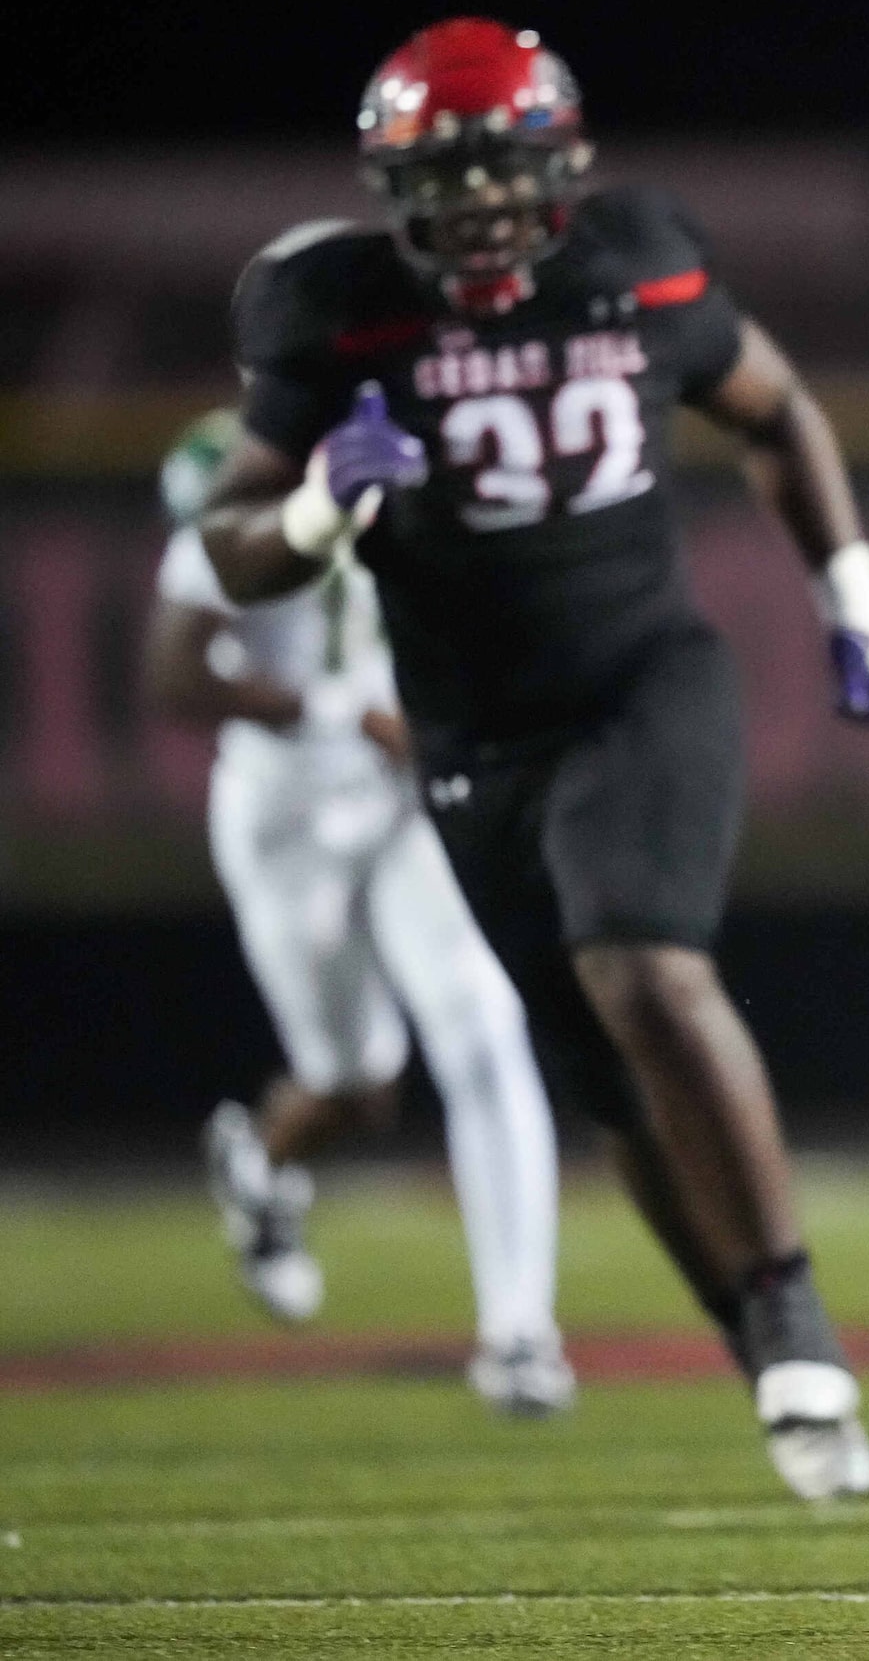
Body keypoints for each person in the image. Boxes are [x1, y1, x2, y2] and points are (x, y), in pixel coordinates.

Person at [196, 17, 869, 1500]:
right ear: (390, 185)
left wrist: (855, 595)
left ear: (562, 166)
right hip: (471, 735)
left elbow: (774, 407)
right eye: (441, 180)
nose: (472, 209)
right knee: (605, 1076)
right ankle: (755, 1339)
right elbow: (233, 546)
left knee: (645, 966)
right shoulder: (329, 308)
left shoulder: (633, 257)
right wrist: (325, 514)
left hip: (642, 681)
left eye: (497, 174)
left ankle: (790, 1299)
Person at [148, 409, 567, 1414]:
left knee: (479, 1026)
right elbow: (173, 675)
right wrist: (343, 711)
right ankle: (260, 1163)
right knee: (354, 1085)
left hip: (403, 795)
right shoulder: (228, 471)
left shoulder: (422, 437)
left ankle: (519, 1335)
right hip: (286, 814)